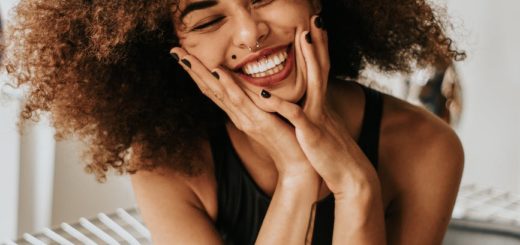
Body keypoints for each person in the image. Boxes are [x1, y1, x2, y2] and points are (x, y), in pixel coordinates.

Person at [4, 0, 465, 244]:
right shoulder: (169, 165)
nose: (250, 33)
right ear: (174, 53)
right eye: (207, 21)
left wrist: (355, 183)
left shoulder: (426, 148)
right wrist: (298, 174)